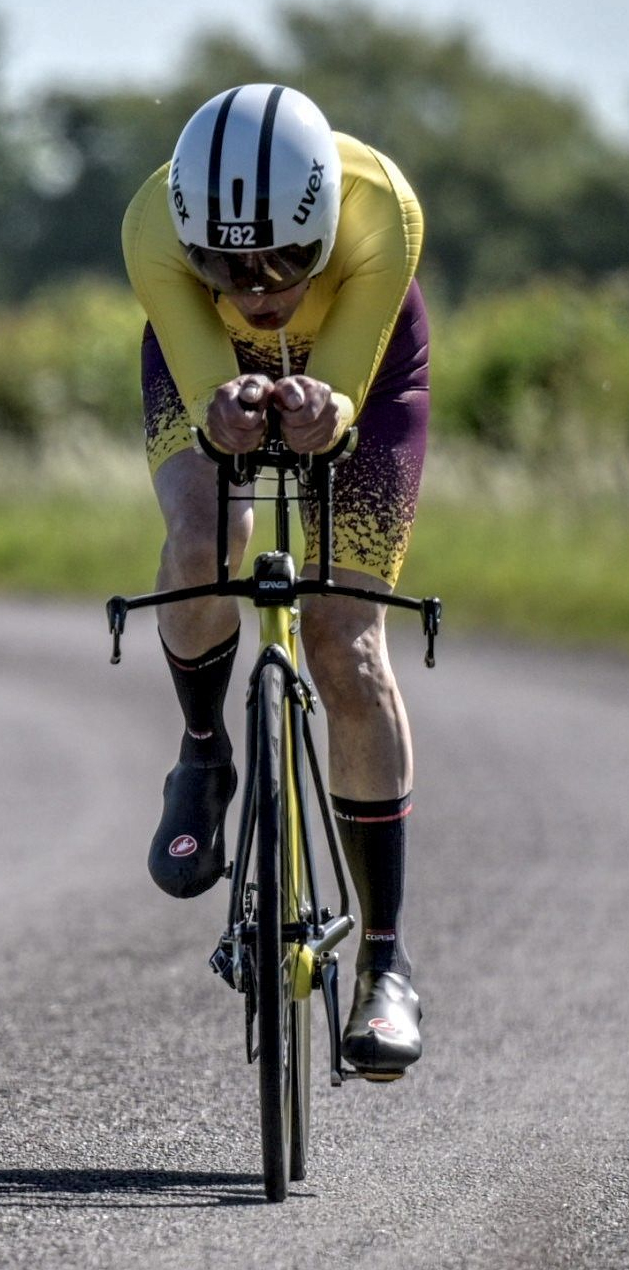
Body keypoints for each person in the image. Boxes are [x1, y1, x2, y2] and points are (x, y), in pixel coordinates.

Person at [122, 84, 427, 1075]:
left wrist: (323, 408)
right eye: (225, 265)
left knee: (346, 640)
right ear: (185, 238)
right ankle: (205, 754)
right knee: (206, 537)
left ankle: (384, 963)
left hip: (367, 376)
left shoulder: (383, 208)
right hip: (207, 371)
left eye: (287, 262)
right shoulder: (150, 225)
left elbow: (341, 390)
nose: (255, 287)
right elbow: (208, 387)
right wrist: (227, 410)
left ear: (328, 226)